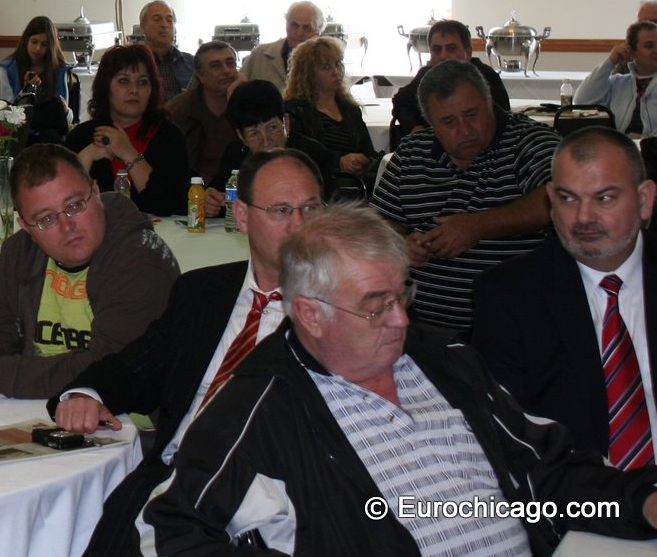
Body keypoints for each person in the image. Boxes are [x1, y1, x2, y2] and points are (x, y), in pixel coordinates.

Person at [139, 203, 657, 553]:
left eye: (402, 294)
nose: (401, 320)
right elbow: (169, 528)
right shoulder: (260, 407)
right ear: (311, 314)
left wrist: (641, 502)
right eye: (375, 305)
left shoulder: (446, 361)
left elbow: (548, 473)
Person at [51, 149, 326, 557]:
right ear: (243, 216)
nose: (299, 225)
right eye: (281, 210)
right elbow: (139, 366)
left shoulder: (340, 313)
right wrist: (86, 394)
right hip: (173, 478)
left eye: (311, 209)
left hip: (270, 495)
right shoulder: (202, 293)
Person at [0, 144, 179, 400]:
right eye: (46, 219)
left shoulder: (140, 258)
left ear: (96, 193)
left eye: (75, 205)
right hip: (40, 401)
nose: (67, 226)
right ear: (26, 227)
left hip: (126, 410)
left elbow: (112, 367)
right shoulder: (19, 252)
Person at [474, 127, 657, 465]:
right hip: (582, 489)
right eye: (568, 198)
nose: (584, 218)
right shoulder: (509, 296)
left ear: (644, 200)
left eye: (604, 198)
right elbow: (517, 437)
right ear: (550, 199)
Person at [371, 58, 556, 330]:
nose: (465, 130)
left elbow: (556, 201)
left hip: (519, 329)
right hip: (423, 331)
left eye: (472, 115)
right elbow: (377, 224)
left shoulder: (529, 141)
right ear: (430, 123)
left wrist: (477, 226)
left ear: (489, 102)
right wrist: (399, 245)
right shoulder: (412, 153)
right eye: (448, 122)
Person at [65, 43, 192, 217]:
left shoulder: (170, 137)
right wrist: (86, 156)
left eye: (143, 82)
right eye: (124, 81)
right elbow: (62, 203)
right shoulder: (81, 136)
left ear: (152, 90)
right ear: (105, 87)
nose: (134, 90)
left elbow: (168, 205)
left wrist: (128, 153)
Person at [389, 19, 509, 134]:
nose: (443, 56)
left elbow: (502, 120)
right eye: (437, 49)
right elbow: (400, 102)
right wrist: (415, 127)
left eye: (451, 48)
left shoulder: (486, 77)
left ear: (468, 52)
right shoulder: (426, 76)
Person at [282, 35, 379, 177]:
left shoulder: (349, 108)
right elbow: (300, 156)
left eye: (338, 64)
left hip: (357, 181)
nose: (336, 72)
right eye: (326, 67)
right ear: (308, 74)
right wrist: (338, 162)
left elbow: (368, 151)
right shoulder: (295, 110)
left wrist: (364, 161)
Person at [215, 79, 338, 188]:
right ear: (241, 137)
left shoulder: (314, 155)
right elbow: (218, 191)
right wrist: (212, 198)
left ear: (286, 123)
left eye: (272, 128)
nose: (266, 141)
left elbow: (331, 202)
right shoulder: (234, 156)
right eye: (254, 134)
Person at [165, 40, 239, 195]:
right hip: (192, 194)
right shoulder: (177, 111)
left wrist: (245, 93)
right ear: (200, 76)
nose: (226, 70)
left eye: (230, 63)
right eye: (216, 66)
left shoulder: (247, 106)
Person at [577, 20, 657, 135]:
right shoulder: (618, 83)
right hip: (621, 143)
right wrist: (610, 62)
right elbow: (582, 101)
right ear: (632, 51)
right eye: (649, 46)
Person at [240, 0, 322, 89]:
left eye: (307, 28)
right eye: (294, 25)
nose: (299, 33)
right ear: (286, 24)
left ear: (317, 33)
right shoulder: (259, 54)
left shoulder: (325, 62)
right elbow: (238, 91)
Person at [0, 14, 72, 103]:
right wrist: (26, 91)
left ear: (50, 47)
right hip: (21, 112)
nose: (38, 48)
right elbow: (8, 107)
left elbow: (64, 109)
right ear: (26, 40)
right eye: (34, 42)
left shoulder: (60, 69)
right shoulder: (8, 68)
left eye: (44, 44)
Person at [138, 0, 194, 100]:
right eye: (157, 19)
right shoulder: (132, 63)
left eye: (169, 20)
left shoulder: (192, 62)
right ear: (143, 26)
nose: (164, 25)